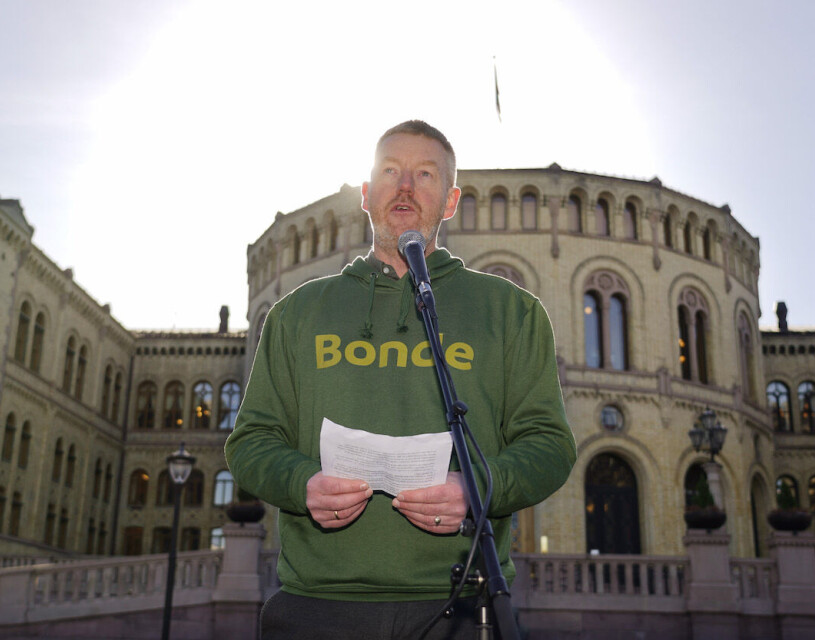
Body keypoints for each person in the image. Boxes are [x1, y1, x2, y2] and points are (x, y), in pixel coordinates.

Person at [225, 120, 575, 639]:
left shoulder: (511, 312)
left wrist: (476, 490)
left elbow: (549, 446)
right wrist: (303, 484)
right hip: (318, 605)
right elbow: (250, 442)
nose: (405, 186)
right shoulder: (297, 313)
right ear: (366, 195)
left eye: (425, 175)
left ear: (451, 201)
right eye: (390, 171)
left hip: (458, 605)